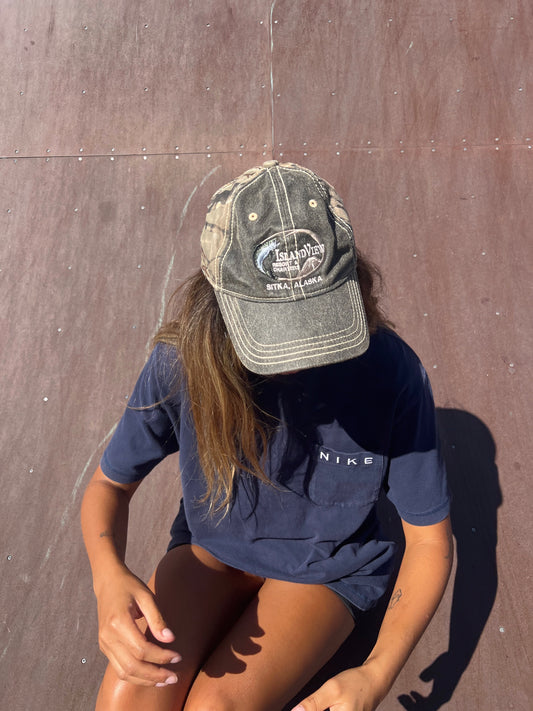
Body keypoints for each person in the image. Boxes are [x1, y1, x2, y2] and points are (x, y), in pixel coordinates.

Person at [81, 161, 452, 711]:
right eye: (274, 332)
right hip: (216, 548)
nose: (299, 355)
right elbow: (109, 486)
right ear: (217, 304)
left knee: (216, 708)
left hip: (327, 567)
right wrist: (107, 577)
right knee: (126, 697)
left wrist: (374, 675)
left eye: (317, 323)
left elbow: (429, 541)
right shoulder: (181, 362)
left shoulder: (391, 373)